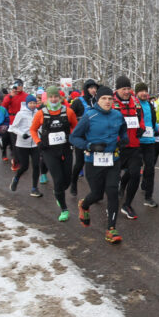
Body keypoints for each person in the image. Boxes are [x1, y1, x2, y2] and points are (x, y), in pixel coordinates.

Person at [70, 86, 128, 244]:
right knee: (97, 194)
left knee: (112, 192)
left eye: (110, 98)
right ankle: (84, 204)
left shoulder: (117, 115)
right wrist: (89, 146)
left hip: (113, 160)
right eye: (104, 98)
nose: (108, 101)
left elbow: (123, 130)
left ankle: (111, 229)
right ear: (98, 100)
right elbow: (74, 137)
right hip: (93, 162)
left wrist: (124, 139)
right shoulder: (90, 116)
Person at [29, 86, 78, 221]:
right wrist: (38, 142)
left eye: (56, 96)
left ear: (60, 98)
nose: (54, 99)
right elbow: (33, 130)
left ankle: (58, 193)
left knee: (66, 180)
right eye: (51, 97)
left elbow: (75, 126)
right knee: (57, 179)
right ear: (47, 99)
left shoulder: (68, 112)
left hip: (65, 149)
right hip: (49, 151)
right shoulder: (41, 113)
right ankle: (64, 209)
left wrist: (72, 136)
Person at [113, 75, 144, 220]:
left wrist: (141, 128)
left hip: (134, 145)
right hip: (117, 147)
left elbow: (140, 116)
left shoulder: (135, 101)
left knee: (135, 174)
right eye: (123, 89)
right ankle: (111, 203)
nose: (126, 91)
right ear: (117, 89)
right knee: (111, 177)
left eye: (128, 88)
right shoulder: (111, 102)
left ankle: (127, 204)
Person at [69, 79, 100, 196]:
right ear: (86, 89)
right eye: (91, 88)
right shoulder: (78, 102)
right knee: (79, 163)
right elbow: (69, 117)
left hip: (94, 136)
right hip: (81, 138)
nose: (93, 90)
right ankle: (73, 183)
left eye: (95, 88)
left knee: (94, 165)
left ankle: (95, 190)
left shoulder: (98, 101)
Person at [8, 95, 42, 198]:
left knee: (36, 165)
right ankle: (16, 178)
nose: (32, 105)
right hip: (22, 144)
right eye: (30, 103)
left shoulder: (39, 113)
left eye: (34, 103)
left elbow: (41, 126)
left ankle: (34, 188)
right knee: (25, 166)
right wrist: (22, 134)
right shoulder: (21, 114)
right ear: (26, 104)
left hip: (35, 143)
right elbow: (13, 128)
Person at [132, 82, 159, 208]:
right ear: (136, 93)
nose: (144, 93)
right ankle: (122, 187)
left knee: (150, 169)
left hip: (149, 141)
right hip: (137, 141)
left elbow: (152, 122)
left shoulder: (150, 104)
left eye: (145, 91)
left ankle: (148, 197)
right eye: (141, 91)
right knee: (133, 170)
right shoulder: (133, 104)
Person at [1, 80, 27, 169]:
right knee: (13, 142)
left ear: (22, 86)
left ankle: (21, 159)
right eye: (16, 85)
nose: (18, 87)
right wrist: (11, 96)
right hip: (12, 120)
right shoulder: (10, 96)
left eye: (20, 85)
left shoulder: (26, 96)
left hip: (23, 121)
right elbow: (3, 106)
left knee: (23, 141)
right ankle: (15, 161)